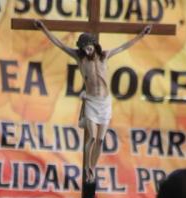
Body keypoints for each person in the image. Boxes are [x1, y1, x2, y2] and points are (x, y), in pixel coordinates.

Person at [34, 20, 152, 182]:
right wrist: (44, 29)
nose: (86, 50)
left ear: (94, 45)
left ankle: (92, 169)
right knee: (91, 137)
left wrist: (141, 35)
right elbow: (59, 44)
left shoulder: (105, 56)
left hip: (104, 102)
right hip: (91, 100)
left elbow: (125, 46)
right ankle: (86, 166)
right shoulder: (80, 58)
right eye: (83, 48)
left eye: (88, 47)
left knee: (100, 140)